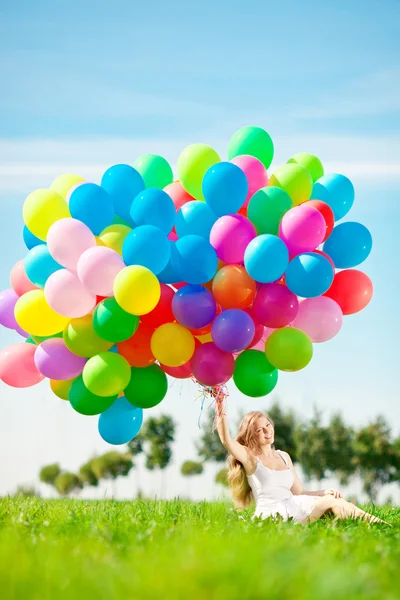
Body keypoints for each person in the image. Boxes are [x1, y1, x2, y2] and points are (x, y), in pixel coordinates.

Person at [216, 407, 387, 525]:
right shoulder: (251, 459)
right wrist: (220, 403)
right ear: (252, 436)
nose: (267, 432)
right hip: (273, 514)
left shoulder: (284, 456)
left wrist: (324, 492)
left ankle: (377, 525)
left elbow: (300, 492)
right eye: (260, 430)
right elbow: (226, 440)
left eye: (267, 425)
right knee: (333, 505)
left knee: (336, 502)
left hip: (294, 504)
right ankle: (382, 526)